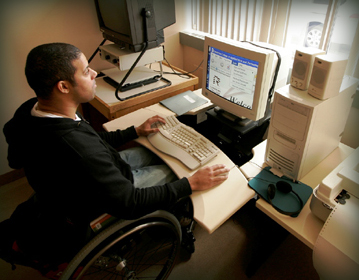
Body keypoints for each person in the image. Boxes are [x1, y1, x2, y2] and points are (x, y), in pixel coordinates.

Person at [2, 43, 229, 265]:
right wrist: (190, 184)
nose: (94, 73)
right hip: (102, 199)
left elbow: (89, 140)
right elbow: (129, 202)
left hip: (79, 177)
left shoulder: (33, 110)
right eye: (85, 71)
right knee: (176, 170)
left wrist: (134, 131)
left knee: (157, 151)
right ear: (63, 87)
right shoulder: (75, 147)